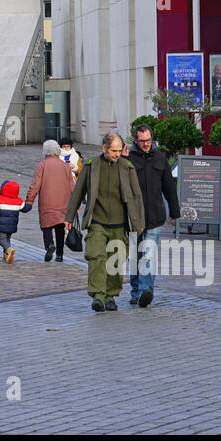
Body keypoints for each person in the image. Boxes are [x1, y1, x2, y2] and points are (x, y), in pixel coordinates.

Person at [64, 132, 145, 312]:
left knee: (115, 262)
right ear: (104, 149)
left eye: (119, 150)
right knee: (96, 257)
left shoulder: (127, 167)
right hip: (97, 221)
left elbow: (136, 196)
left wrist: (139, 223)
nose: (117, 154)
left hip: (120, 224)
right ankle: (98, 296)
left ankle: (110, 296)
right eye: (114, 150)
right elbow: (78, 191)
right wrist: (69, 217)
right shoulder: (92, 165)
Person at [125, 123, 180, 307]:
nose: (146, 144)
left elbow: (169, 186)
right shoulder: (129, 159)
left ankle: (145, 291)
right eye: (142, 141)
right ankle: (135, 291)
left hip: (155, 215)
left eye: (148, 140)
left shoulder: (160, 157)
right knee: (134, 256)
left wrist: (174, 210)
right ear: (136, 140)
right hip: (132, 218)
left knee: (148, 255)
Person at [25, 139, 75, 262]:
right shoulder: (65, 166)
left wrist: (29, 200)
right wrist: (75, 204)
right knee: (60, 228)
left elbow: (35, 184)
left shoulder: (42, 165)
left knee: (46, 227)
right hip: (63, 202)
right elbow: (72, 186)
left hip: (47, 202)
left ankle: (49, 245)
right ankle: (60, 254)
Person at [0, 179, 31, 264]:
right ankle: (6, 255)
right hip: (12, 226)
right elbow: (26, 209)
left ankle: (9, 249)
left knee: (2, 240)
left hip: (1, 226)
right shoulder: (18, 201)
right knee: (7, 239)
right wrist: (29, 202)